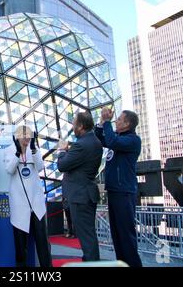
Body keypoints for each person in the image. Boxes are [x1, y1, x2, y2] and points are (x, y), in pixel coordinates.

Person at [95, 108, 143, 267]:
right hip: (114, 191)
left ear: (128, 123)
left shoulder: (133, 140)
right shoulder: (116, 138)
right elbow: (100, 139)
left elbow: (112, 142)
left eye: (120, 120)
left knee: (126, 235)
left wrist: (108, 122)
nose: (116, 121)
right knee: (117, 235)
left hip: (124, 192)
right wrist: (102, 123)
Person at [57, 111, 103, 261]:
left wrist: (62, 151)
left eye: (74, 123)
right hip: (86, 193)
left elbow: (62, 165)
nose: (72, 126)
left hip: (80, 196)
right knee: (88, 235)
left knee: (86, 237)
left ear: (81, 126)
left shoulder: (81, 145)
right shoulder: (94, 141)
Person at [5, 126, 52, 267]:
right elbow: (9, 169)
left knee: (43, 243)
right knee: (21, 247)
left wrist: (34, 149)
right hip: (19, 205)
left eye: (29, 135)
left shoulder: (34, 149)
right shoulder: (9, 150)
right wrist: (18, 153)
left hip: (36, 204)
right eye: (24, 135)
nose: (27, 137)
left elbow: (39, 167)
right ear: (17, 136)